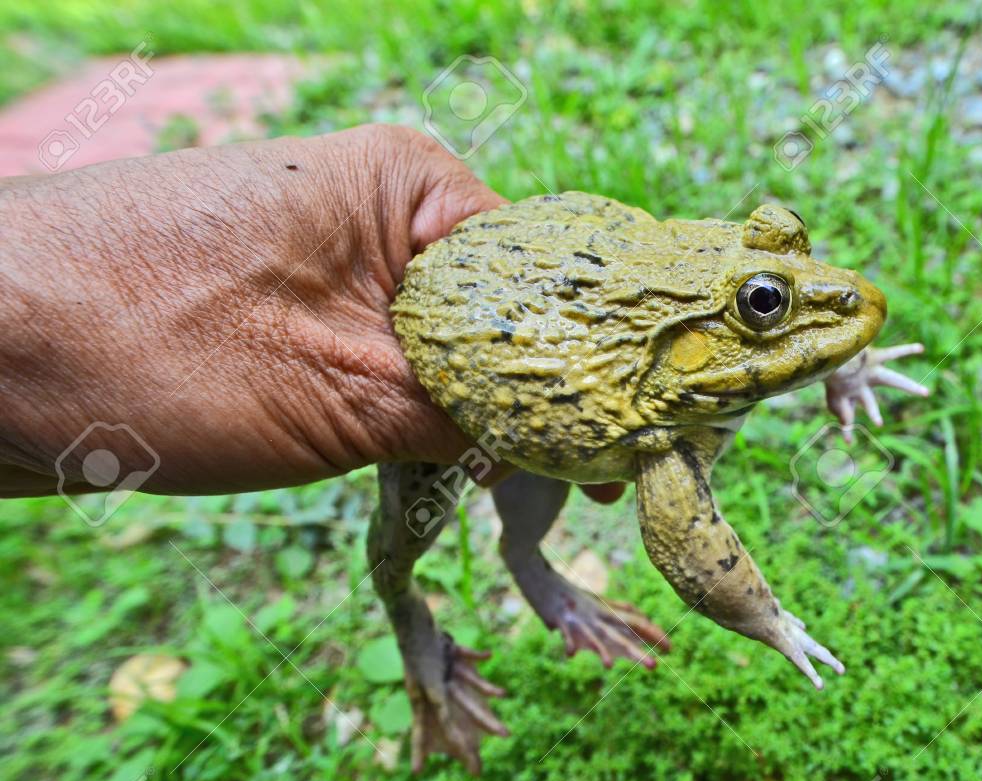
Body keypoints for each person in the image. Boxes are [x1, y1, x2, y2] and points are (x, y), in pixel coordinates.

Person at [0, 123, 924, 504]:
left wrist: (844, 360)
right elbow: (690, 550)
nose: (844, 287)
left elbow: (826, 315)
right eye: (764, 301)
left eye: (780, 255)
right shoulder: (650, 437)